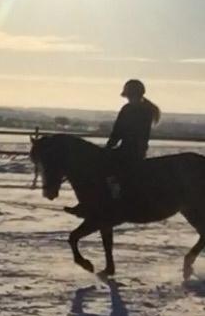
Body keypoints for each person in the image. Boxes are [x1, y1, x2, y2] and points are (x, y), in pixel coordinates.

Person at [64, 79, 161, 216]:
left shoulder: (136, 110)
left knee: (107, 169)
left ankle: (109, 201)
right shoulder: (140, 110)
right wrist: (110, 146)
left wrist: (109, 147)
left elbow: (121, 132)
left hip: (131, 150)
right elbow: (119, 131)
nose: (128, 98)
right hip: (131, 148)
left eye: (129, 95)